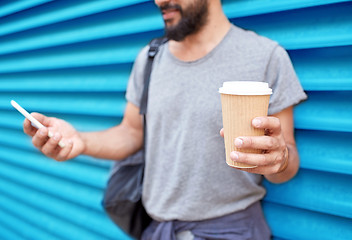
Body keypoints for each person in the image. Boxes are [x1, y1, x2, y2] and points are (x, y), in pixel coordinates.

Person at [23, 0, 307, 239]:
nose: (159, 1)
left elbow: (287, 160)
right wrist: (79, 140)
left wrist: (279, 159)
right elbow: (131, 133)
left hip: (232, 230)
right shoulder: (150, 58)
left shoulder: (266, 56)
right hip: (157, 230)